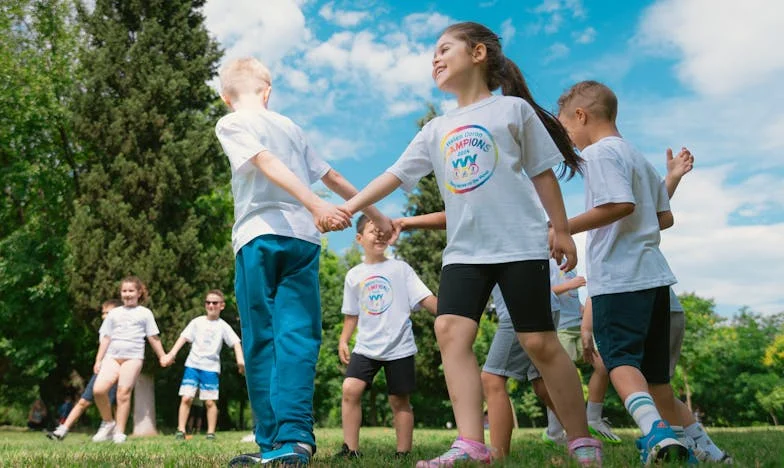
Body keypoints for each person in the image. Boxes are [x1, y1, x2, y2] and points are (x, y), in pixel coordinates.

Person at [334, 22, 602, 467]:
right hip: (463, 253)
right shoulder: (435, 129)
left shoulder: (512, 111)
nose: (435, 59)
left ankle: (580, 438)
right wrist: (350, 207)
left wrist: (562, 228)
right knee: (449, 331)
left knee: (538, 341)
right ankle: (470, 443)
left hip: (518, 245)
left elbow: (543, 174)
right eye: (432, 55)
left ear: (477, 53)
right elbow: (394, 176)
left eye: (444, 49)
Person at [213, 57, 392, 466]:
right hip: (303, 241)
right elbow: (330, 175)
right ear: (268, 90)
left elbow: (264, 162)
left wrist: (314, 205)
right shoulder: (290, 127)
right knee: (297, 336)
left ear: (226, 97)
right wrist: (376, 213)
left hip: (260, 237)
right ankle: (296, 439)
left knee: (263, 339)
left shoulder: (232, 122)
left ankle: (273, 441)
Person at [556, 80, 687, 464]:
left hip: (620, 277)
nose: (570, 140)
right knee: (656, 374)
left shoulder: (598, 155)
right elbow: (664, 217)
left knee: (620, 362)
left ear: (581, 116)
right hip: (655, 278)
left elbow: (619, 205)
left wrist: (560, 229)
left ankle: (657, 433)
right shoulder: (637, 157)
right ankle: (689, 441)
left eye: (566, 130)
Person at [334, 215, 437, 460]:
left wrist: (452, 314)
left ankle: (403, 452)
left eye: (383, 230)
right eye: (372, 231)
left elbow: (425, 298)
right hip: (366, 346)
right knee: (350, 389)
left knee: (398, 400)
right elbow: (351, 314)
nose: (379, 234)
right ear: (359, 239)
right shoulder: (354, 275)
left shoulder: (400, 268)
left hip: (399, 346)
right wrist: (343, 340)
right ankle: (350, 449)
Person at [543, 261, 621, 446]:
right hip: (560, 327)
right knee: (560, 379)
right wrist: (570, 285)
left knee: (603, 366)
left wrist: (585, 310)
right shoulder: (543, 260)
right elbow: (541, 293)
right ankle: (553, 433)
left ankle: (593, 419)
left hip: (578, 325)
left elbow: (571, 299)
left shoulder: (569, 264)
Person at [90, 276, 167, 444]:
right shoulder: (114, 313)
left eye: (131, 290)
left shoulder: (145, 313)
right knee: (98, 390)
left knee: (123, 393)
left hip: (133, 358)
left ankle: (119, 432)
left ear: (139, 293)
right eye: (124, 291)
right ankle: (108, 422)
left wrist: (162, 356)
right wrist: (98, 360)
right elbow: (106, 338)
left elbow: (153, 337)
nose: (127, 294)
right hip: (112, 357)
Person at [161, 289, 245, 441]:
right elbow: (183, 338)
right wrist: (171, 354)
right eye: (208, 302)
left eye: (215, 303)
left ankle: (211, 433)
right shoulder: (197, 322)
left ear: (222, 306)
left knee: (209, 402)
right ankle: (181, 430)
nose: (211, 305)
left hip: (211, 368)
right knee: (186, 398)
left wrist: (240, 361)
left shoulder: (223, 326)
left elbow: (236, 343)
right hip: (192, 365)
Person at [48, 299, 122, 441]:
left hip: (114, 369)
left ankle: (114, 432)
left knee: (112, 403)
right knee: (84, 401)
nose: (104, 316)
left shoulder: (121, 329)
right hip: (103, 368)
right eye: (103, 313)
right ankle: (62, 430)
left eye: (108, 312)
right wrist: (98, 362)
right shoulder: (104, 330)